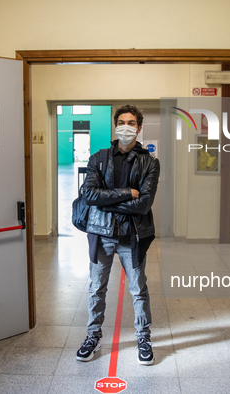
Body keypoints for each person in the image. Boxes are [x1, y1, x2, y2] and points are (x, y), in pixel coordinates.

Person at [76, 105, 160, 365]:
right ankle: (93, 335)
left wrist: (105, 200)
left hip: (132, 236)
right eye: (122, 121)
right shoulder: (98, 158)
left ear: (139, 128)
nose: (126, 126)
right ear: (115, 125)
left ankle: (143, 338)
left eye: (131, 123)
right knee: (96, 289)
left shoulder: (150, 162)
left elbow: (144, 205)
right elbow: (88, 195)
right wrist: (127, 192)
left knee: (138, 290)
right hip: (101, 233)